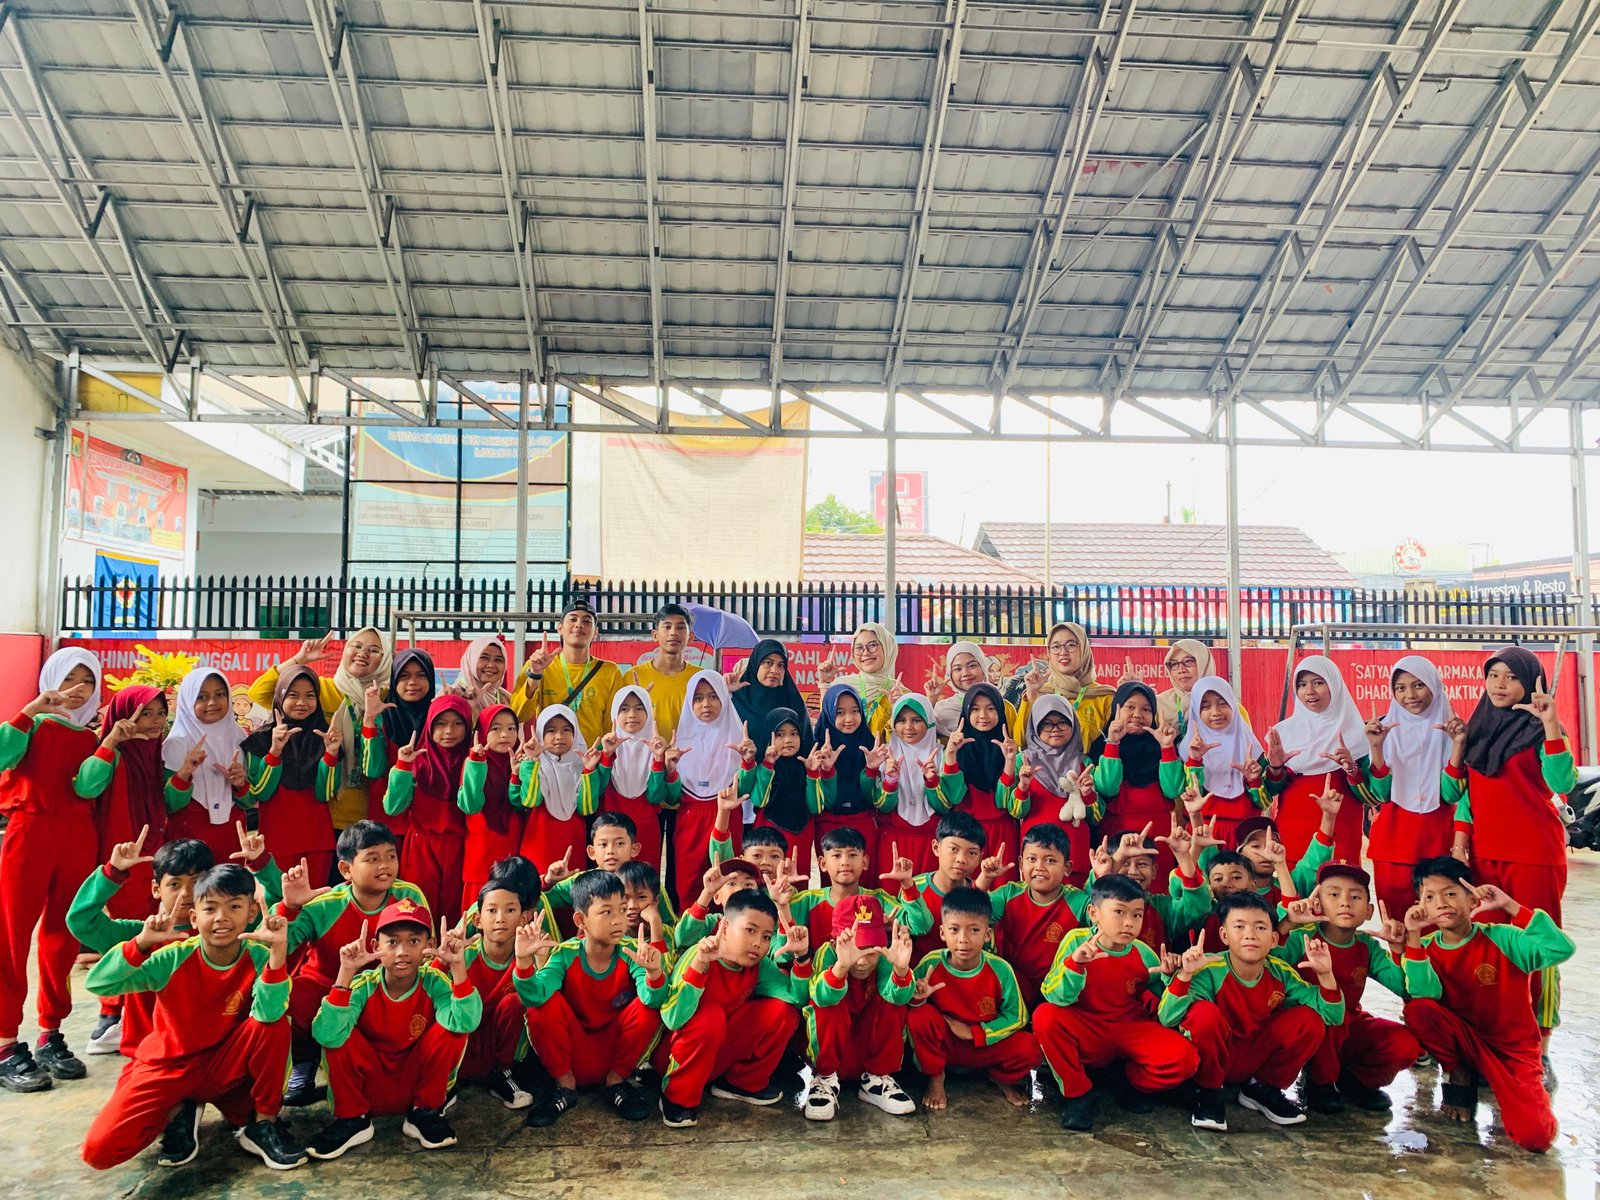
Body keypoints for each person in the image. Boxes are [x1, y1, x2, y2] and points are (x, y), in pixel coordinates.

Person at [80, 864, 303, 1171]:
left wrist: (277, 954)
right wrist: (140, 944)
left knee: (274, 1024)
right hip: (168, 1067)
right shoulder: (173, 957)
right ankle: (178, 1107)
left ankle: (264, 1122)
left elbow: (270, 1014)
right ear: (195, 917)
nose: (221, 918)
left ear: (252, 912)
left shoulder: (258, 955)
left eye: (234, 907)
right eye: (210, 908)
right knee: (99, 1151)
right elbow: (99, 984)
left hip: (225, 1066)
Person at [1401, 856, 1575, 1153]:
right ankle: (1459, 1074)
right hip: (1465, 1043)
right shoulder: (1424, 948)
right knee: (1418, 1011)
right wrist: (1413, 937)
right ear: (1421, 906)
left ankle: (1526, 1096)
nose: (1441, 903)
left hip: (1512, 1051)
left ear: (1473, 900)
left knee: (1536, 1136)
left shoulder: (1503, 938)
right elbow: (1423, 994)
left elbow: (1560, 948)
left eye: (1451, 893)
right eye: (1429, 897)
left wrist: (1511, 906)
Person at [1446, 646, 1574, 1043]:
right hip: (1485, 856)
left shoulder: (1542, 730)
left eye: (1512, 677)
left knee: (1535, 940)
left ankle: (1540, 1034)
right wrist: (1459, 844)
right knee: (1488, 944)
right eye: (1493, 675)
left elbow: (1562, 783)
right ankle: (1497, 1027)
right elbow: (1468, 796)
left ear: (1531, 682)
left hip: (1535, 855)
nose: (1500, 684)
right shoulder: (1478, 727)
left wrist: (1550, 724)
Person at [0, 647, 104, 1092]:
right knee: (11, 935)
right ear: (51, 680)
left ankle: (50, 1032)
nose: (77, 689)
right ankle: (5, 1043)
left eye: (88, 681)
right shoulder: (31, 725)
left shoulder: (91, 738)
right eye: (69, 679)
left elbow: (89, 788)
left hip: (77, 835)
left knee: (63, 937)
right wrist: (29, 711)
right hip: (30, 830)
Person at [306, 898, 482, 1158]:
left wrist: (457, 966)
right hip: (368, 1088)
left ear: (430, 945)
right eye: (392, 942)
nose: (402, 952)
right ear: (375, 946)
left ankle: (425, 1114)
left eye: (414, 941)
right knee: (338, 1032)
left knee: (452, 1029)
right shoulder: (363, 985)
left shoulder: (434, 982)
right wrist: (345, 974)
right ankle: (352, 1120)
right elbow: (326, 1035)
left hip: (416, 1088)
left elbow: (466, 1022)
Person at [1157, 892, 1345, 1132]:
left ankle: (1262, 1088)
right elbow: (1167, 1018)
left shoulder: (1280, 972)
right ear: (1224, 935)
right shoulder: (1209, 968)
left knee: (1309, 1020)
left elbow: (1332, 1016)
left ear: (1274, 939)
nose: (1250, 934)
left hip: (1253, 1056)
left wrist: (1325, 975)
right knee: (1203, 1014)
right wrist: (1184, 975)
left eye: (1260, 927)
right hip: (1211, 1059)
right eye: (1239, 926)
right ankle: (1209, 1093)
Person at [279, 819, 429, 1107]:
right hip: (328, 988)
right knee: (290, 998)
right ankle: (305, 1061)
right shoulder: (325, 903)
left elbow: (423, 952)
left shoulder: (409, 896)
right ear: (346, 869)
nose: (385, 866)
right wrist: (291, 907)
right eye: (372, 859)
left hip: (383, 988)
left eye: (390, 856)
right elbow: (279, 949)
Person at [1035, 874, 1200, 1132]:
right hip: (1086, 1027)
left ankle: (1128, 1082)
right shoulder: (1076, 941)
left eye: (1137, 915)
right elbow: (1055, 996)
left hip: (1128, 1028)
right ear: (1094, 913)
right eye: (1119, 912)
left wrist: (1176, 978)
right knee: (1045, 1016)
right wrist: (1075, 964)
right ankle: (1079, 1095)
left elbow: (1166, 1015)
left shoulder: (1143, 952)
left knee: (1185, 1058)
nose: (1129, 923)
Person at [516, 871, 667, 1127]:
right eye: (606, 912)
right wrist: (523, 962)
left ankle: (616, 1083)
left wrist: (653, 972)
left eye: (622, 910)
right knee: (542, 1006)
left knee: (647, 1008)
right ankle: (565, 1087)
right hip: (572, 1053)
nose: (618, 919)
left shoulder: (632, 951)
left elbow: (652, 1000)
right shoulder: (565, 954)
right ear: (581, 920)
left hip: (615, 1054)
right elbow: (534, 995)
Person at [658, 890, 813, 1128]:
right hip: (675, 1058)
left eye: (766, 936)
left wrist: (801, 957)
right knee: (711, 1016)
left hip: (718, 1053)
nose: (757, 943)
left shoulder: (758, 966)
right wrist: (699, 965)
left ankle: (741, 1084)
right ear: (725, 926)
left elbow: (797, 998)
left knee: (783, 1012)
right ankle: (676, 1097)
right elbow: (672, 1019)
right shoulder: (700, 955)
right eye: (750, 930)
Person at [1276, 862, 1419, 1115]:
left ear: (1368, 911)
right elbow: (1269, 964)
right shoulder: (1302, 937)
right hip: (1309, 1027)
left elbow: (1403, 987)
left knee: (1403, 1043)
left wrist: (1398, 949)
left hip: (1348, 1021)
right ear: (1317, 904)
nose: (1345, 902)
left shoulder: (1366, 945)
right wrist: (1287, 924)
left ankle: (1356, 1082)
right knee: (1331, 1015)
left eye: (1355, 897)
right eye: (1334, 894)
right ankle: (1319, 1084)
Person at [907, 885, 1039, 1111]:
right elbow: (907, 1002)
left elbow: (1017, 1017)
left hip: (985, 1044)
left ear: (988, 934)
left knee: (1031, 1047)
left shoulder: (1000, 969)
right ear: (942, 933)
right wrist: (918, 998)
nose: (963, 939)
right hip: (947, 1046)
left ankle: (1000, 1078)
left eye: (974, 930)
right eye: (954, 930)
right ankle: (936, 1079)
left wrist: (975, 1032)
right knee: (919, 1016)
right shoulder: (931, 963)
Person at [248, 629, 390, 834]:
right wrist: (300, 659)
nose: (363, 653)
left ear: (385, 660)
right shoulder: (320, 690)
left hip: (372, 815)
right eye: (357, 646)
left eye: (374, 650)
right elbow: (258, 693)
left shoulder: (386, 698)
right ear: (345, 651)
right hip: (323, 812)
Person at [802, 896, 918, 1121]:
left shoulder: (887, 956)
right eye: (855, 948)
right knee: (825, 1003)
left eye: (870, 950)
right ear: (835, 943)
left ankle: (877, 1080)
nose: (862, 961)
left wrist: (901, 970)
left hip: (869, 1050)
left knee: (893, 1002)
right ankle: (824, 1081)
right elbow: (820, 996)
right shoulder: (827, 953)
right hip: (833, 1053)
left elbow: (899, 997)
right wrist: (841, 967)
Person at [1362, 655, 1456, 918]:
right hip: (1392, 846)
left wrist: (1458, 744)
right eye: (1400, 688)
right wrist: (1376, 748)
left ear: (1434, 685)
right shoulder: (1385, 730)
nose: (1410, 695)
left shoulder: (1452, 729)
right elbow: (1381, 794)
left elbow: (1451, 794)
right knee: (1396, 927)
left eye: (1419, 685)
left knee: (1439, 925)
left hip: (1438, 841)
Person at [77, 685, 170, 928]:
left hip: (153, 856)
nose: (156, 720)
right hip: (122, 857)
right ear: (124, 715)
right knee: (131, 929)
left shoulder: (154, 752)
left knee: (150, 927)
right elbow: (86, 787)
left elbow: (167, 804)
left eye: (161, 713)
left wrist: (184, 775)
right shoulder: (113, 753)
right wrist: (110, 741)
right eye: (146, 713)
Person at [666, 670, 759, 910]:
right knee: (689, 881)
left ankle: (729, 928)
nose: (706, 704)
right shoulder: (680, 740)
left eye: (713, 696)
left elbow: (744, 790)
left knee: (729, 879)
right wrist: (670, 771)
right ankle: (692, 929)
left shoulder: (737, 737)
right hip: (690, 820)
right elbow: (673, 797)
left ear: (724, 699)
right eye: (698, 698)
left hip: (727, 815)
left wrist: (747, 761)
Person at [1266, 655, 1371, 865]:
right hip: (1292, 836)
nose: (1310, 691)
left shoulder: (1358, 735)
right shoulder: (1283, 733)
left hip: (1340, 838)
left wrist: (1352, 769)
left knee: (1338, 883)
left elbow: (1372, 797)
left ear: (1334, 685)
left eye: (1318, 683)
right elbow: (1269, 791)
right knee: (1291, 885)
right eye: (1302, 685)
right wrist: (1275, 767)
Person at [242, 666, 341, 885]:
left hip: (317, 840)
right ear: (279, 697)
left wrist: (331, 754)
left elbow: (324, 794)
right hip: (276, 839)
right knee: (278, 900)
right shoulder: (260, 740)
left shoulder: (324, 736)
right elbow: (260, 792)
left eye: (310, 695)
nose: (302, 702)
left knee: (316, 901)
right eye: (293, 695)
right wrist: (275, 751)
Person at [974, 822, 1089, 1011]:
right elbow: (971, 914)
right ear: (1021, 863)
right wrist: (985, 878)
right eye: (1032, 859)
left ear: (1067, 867)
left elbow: (1105, 920)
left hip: (1059, 990)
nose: (1039, 867)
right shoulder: (1009, 894)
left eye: (1050, 860)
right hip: (1013, 985)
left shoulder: (1079, 901)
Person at [380, 694, 474, 925]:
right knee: (418, 911)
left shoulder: (473, 761)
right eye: (441, 723)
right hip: (421, 847)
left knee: (453, 913)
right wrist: (403, 766)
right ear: (430, 726)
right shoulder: (418, 761)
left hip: (460, 848)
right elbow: (393, 808)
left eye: (458, 723)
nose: (449, 731)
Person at [457, 871, 544, 1111]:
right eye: (492, 910)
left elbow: (540, 1000)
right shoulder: (463, 956)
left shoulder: (526, 957)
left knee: (515, 1002)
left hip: (498, 1049)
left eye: (510, 910)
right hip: (460, 1046)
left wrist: (542, 960)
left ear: (524, 918)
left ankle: (502, 1072)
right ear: (477, 920)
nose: (500, 919)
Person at [785, 825, 930, 957]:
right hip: (823, 975)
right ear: (823, 864)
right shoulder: (807, 901)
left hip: (870, 973)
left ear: (865, 862)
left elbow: (921, 926)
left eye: (852, 855)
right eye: (837, 855)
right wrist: (781, 904)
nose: (845, 862)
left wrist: (907, 884)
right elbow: (784, 951)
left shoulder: (878, 899)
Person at [1090, 681, 1184, 884]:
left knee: (1158, 891)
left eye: (1146, 709)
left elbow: (1173, 790)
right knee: (1117, 891)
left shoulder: (1163, 744)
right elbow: (1107, 788)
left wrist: (1167, 749)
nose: (1138, 714)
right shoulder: (1100, 745)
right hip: (1117, 833)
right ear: (1116, 709)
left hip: (1158, 834)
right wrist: (1113, 744)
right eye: (1130, 707)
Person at [162, 668, 252, 864]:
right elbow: (169, 805)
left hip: (231, 833)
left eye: (220, 695)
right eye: (201, 697)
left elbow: (249, 802)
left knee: (228, 881)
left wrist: (240, 784)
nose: (212, 702)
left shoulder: (238, 736)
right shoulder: (177, 742)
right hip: (188, 838)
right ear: (188, 700)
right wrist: (185, 772)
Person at [866, 694, 958, 884]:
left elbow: (944, 806)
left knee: (928, 894)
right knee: (892, 895)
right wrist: (891, 780)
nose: (908, 727)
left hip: (932, 842)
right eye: (901, 720)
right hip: (893, 841)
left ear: (929, 723)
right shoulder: (884, 756)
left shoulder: (942, 756)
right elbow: (882, 806)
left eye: (916, 720)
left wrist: (932, 781)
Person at [1008, 696, 1097, 887]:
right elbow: (1015, 812)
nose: (1055, 729)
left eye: (1063, 722)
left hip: (1075, 853)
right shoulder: (1024, 761)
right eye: (1047, 724)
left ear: (1074, 724)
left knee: (1075, 902)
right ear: (1035, 727)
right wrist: (1023, 787)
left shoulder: (1084, 762)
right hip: (1036, 854)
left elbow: (1096, 817)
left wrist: (1088, 794)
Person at [514, 597, 625, 748]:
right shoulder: (538, 666)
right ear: (560, 628)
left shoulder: (610, 672)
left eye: (587, 621)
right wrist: (535, 675)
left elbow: (612, 725)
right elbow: (519, 715)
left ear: (595, 632)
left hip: (592, 757)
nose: (579, 625)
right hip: (551, 756)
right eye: (573, 619)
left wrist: (601, 755)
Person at [363, 647, 438, 853]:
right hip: (388, 824)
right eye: (404, 676)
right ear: (394, 680)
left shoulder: (439, 719)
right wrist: (370, 719)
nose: (412, 682)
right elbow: (373, 770)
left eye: (421, 675)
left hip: (427, 825)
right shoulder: (383, 717)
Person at [457, 704, 529, 914]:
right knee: (480, 908)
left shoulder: (520, 760)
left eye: (511, 728)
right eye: (495, 728)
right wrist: (477, 763)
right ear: (482, 733)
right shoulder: (472, 761)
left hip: (511, 844)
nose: (504, 735)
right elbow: (471, 805)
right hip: (481, 848)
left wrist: (517, 774)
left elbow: (522, 803)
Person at [946, 683, 1020, 884]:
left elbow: (1004, 803)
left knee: (1000, 892)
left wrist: (1010, 762)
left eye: (991, 708)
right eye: (975, 709)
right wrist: (951, 756)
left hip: (1001, 833)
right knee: (963, 894)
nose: (983, 716)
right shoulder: (956, 749)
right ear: (966, 713)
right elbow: (953, 797)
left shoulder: (1010, 750)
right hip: (964, 834)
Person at [1181, 675, 1268, 846]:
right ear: (1196, 712)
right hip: (1202, 830)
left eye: (1222, 703)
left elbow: (1264, 803)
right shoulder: (1186, 750)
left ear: (1233, 705)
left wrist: (1253, 780)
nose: (1216, 712)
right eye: (1205, 706)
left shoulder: (1252, 749)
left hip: (1245, 835)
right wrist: (1195, 760)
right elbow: (1189, 794)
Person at [515, 704, 599, 876]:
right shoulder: (532, 763)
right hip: (539, 838)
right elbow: (530, 800)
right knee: (539, 885)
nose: (559, 737)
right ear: (541, 734)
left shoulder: (582, 763)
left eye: (566, 730)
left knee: (573, 883)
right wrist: (531, 761)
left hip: (573, 838)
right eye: (551, 731)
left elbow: (587, 808)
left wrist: (589, 770)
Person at [594, 685, 671, 868]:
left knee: (643, 879)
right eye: (624, 709)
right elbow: (597, 791)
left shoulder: (657, 747)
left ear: (649, 713)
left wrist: (658, 759)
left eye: (639, 708)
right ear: (614, 713)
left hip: (646, 828)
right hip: (610, 828)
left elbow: (655, 797)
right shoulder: (604, 746)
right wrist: (607, 755)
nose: (632, 715)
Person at [811, 683, 879, 881]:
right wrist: (826, 770)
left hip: (864, 822)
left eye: (855, 711)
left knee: (865, 882)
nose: (849, 719)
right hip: (827, 824)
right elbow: (819, 802)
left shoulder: (869, 744)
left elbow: (872, 797)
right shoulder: (817, 750)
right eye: (840, 713)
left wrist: (872, 769)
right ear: (829, 715)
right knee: (833, 883)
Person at [1014, 622, 1117, 750]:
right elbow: (1020, 740)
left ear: (1084, 649)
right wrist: (1031, 694)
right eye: (1056, 646)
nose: (1063, 652)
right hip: (1044, 764)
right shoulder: (1039, 694)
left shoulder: (1105, 697)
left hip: (1091, 763)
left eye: (1071, 645)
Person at [748, 707, 824, 877]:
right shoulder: (765, 765)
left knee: (797, 877)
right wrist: (768, 765)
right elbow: (760, 801)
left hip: (802, 833)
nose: (788, 740)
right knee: (769, 878)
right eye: (780, 734)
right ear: (769, 736)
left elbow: (816, 808)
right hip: (769, 832)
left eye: (794, 733)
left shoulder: (806, 764)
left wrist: (812, 774)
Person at [904, 810, 987, 964]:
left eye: (972, 853)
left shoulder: (979, 893)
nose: (961, 859)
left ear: (980, 858)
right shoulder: (913, 887)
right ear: (936, 848)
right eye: (953, 849)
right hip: (921, 973)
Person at [624, 603, 697, 742]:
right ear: (655, 635)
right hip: (646, 753)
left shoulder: (698, 678)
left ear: (691, 636)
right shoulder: (633, 676)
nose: (673, 633)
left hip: (688, 753)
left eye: (680, 627)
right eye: (667, 627)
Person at [817, 622, 902, 739]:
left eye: (872, 645)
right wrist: (824, 684)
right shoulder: (843, 686)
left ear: (888, 648)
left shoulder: (900, 693)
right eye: (859, 648)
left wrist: (898, 707)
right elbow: (826, 724)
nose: (865, 652)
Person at [933, 641, 1014, 738]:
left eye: (972, 666)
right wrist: (931, 699)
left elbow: (1021, 740)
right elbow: (925, 735)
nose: (965, 673)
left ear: (983, 667)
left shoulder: (1005, 707)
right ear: (950, 674)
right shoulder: (942, 710)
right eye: (957, 669)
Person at [1156, 638, 1216, 739]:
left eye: (1188, 661)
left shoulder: (1227, 706)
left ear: (1204, 663)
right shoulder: (1158, 706)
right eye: (1174, 664)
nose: (1181, 670)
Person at [454, 634, 513, 718]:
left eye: (498, 660)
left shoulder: (506, 699)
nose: (491, 665)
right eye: (484, 658)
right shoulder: (455, 696)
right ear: (471, 660)